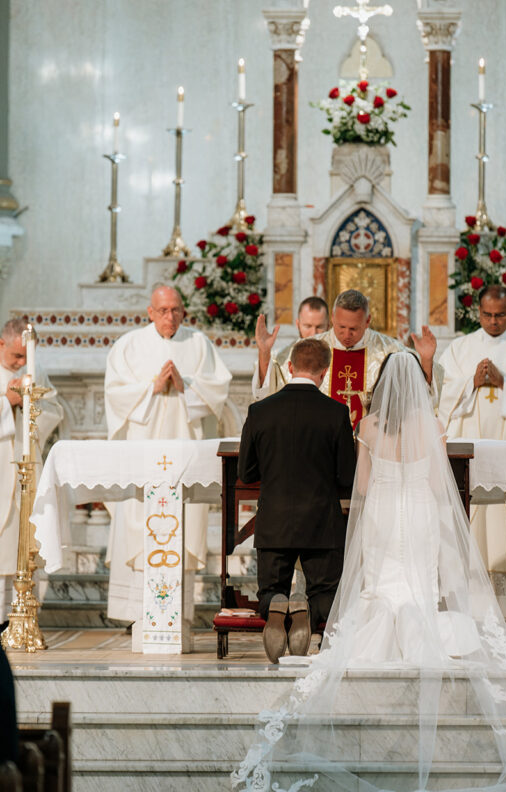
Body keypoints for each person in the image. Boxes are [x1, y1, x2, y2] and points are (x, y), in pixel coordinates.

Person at [232, 352, 506, 792]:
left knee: (379, 582)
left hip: (380, 516)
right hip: (417, 513)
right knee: (416, 583)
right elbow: (438, 485)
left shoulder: (370, 428)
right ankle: (418, 628)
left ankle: (371, 628)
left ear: (379, 384)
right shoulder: (432, 427)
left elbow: (365, 487)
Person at [104, 284, 238, 639]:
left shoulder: (199, 345)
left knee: (182, 528)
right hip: (142, 459)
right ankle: (137, 614)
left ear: (184, 311)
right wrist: (151, 387)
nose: (170, 317)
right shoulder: (129, 345)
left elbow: (218, 392)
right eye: (163, 310)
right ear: (150, 312)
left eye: (176, 310)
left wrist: (186, 386)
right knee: (139, 526)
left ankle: (177, 615)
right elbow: (115, 395)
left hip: (184, 461)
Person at [238, 337, 356, 662]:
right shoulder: (336, 413)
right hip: (321, 521)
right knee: (325, 591)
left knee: (270, 587)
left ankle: (278, 601)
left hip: (274, 519)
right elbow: (348, 477)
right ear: (325, 371)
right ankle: (309, 610)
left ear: (289, 367)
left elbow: (246, 473)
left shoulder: (259, 411)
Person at [437, 285, 506, 606]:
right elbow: (439, 396)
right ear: (478, 312)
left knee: (505, 524)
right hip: (469, 455)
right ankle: (467, 605)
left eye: (500, 315)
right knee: (472, 524)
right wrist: (469, 384)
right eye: (486, 315)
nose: (493, 322)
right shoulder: (460, 349)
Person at [254, 288, 440, 430]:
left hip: (373, 449)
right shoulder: (308, 349)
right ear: (333, 318)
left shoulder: (390, 351)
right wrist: (264, 353)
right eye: (341, 327)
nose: (346, 334)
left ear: (367, 322)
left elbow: (420, 401)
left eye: (354, 329)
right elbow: (272, 391)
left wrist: (426, 361)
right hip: (319, 448)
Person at [0, 318, 63, 622]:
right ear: (1, 345)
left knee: (26, 538)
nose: (23, 363)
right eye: (16, 356)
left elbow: (54, 411)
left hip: (28, 468)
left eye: (27, 356)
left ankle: (24, 616)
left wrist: (27, 404)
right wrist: (7, 403)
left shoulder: (34, 371)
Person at [251, 296, 329, 399]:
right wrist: (264, 351)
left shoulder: (338, 356)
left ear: (328, 326)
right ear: (298, 324)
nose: (313, 333)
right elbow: (264, 393)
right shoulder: (280, 358)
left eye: (319, 327)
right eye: (308, 326)